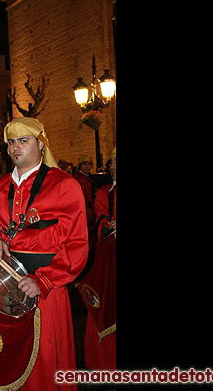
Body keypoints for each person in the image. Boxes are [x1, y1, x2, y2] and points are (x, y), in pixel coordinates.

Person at [0, 117, 89, 390]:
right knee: (6, 357)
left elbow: (77, 243)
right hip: (3, 287)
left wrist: (44, 281)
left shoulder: (64, 184)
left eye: (23, 141)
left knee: (44, 362)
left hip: (44, 288)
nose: (16, 148)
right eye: (11, 142)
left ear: (40, 143)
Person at [83, 146, 116, 370]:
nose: (113, 166)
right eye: (111, 162)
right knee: (103, 303)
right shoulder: (105, 192)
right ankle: (103, 364)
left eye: (117, 162)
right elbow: (100, 222)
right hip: (108, 257)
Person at [72, 155, 95, 223]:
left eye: (89, 164)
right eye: (84, 164)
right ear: (80, 165)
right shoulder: (78, 178)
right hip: (83, 209)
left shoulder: (87, 177)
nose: (87, 166)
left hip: (88, 208)